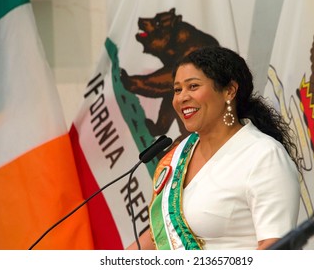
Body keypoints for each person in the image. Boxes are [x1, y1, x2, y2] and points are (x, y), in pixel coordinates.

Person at [127, 46, 301, 250]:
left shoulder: (264, 155)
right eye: (177, 89)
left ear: (229, 91)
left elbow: (277, 245)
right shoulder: (181, 153)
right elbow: (160, 235)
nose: (182, 97)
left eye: (193, 86)